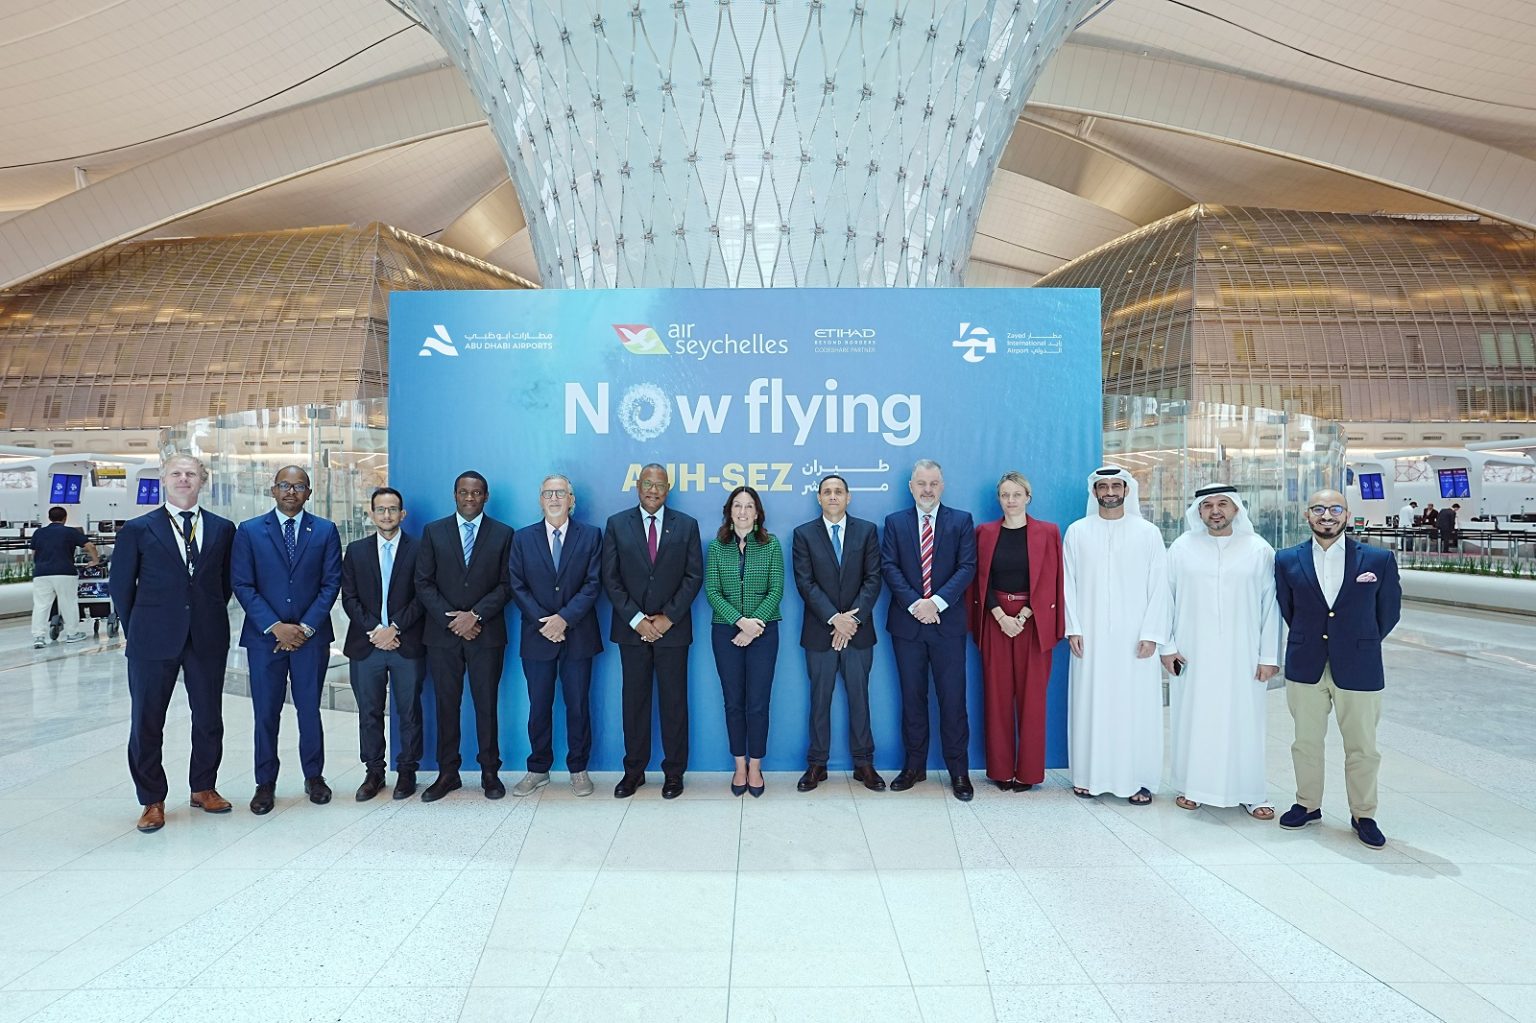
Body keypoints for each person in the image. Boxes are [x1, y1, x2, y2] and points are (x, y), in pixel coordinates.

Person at [109, 455, 235, 834]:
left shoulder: (222, 528)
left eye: (191, 474)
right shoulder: (138, 529)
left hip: (206, 636)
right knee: (147, 720)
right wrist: (137, 629)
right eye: (176, 474)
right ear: (164, 480)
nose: (183, 479)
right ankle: (152, 799)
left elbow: (224, 583)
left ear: (202, 481)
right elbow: (121, 587)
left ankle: (203, 786)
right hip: (152, 638)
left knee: (208, 717)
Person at [1275, 490, 1402, 849]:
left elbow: (1389, 612)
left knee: (1362, 746)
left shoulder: (1378, 559)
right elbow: (1288, 608)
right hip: (1306, 663)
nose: (1326, 515)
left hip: (1360, 665)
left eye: (1334, 508)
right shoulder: (1287, 559)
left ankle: (1364, 814)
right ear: (1307, 515)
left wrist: (1359, 640)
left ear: (1347, 515)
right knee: (1306, 742)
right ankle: (1307, 804)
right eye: (1318, 508)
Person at [1160, 485, 1281, 819]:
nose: (1215, 511)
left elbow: (1271, 606)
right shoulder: (1182, 548)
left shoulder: (1259, 549)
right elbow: (1165, 599)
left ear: (1236, 509)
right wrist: (1167, 647)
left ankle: (1251, 793)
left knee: (1245, 722)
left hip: (1244, 655)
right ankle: (1192, 787)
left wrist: (1269, 656)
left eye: (1223, 504)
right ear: (1198, 512)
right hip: (1192, 654)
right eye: (1208, 505)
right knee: (1194, 719)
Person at [231, 466, 344, 814]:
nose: (291, 492)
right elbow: (242, 584)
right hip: (265, 639)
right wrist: (275, 626)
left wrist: (304, 628)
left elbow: (331, 584)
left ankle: (314, 777)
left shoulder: (325, 530)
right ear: (273, 490)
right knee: (266, 712)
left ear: (309, 492)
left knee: (309, 710)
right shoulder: (250, 531)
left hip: (311, 639)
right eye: (284, 485)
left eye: (298, 486)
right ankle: (265, 783)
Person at [1062, 467, 1169, 804]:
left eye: (1115, 485)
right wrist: (1073, 627)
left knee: (1134, 707)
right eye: (1103, 486)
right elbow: (1067, 583)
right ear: (1095, 492)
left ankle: (1137, 779)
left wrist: (1152, 632)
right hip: (1089, 637)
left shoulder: (1148, 533)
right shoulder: (1077, 532)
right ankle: (1087, 776)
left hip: (1135, 639)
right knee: (1090, 704)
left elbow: (1160, 586)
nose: (1109, 491)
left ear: (1126, 490)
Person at [601, 463, 703, 799]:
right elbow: (610, 578)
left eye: (659, 485)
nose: (653, 490)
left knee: (674, 704)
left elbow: (693, 577)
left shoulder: (686, 525)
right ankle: (634, 771)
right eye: (647, 484)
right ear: (638, 486)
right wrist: (637, 620)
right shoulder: (617, 524)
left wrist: (667, 618)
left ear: (667, 489)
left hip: (673, 631)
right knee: (634, 703)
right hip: (631, 631)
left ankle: (674, 773)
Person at [881, 459, 978, 801]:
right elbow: (889, 566)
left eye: (933, 483)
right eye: (921, 483)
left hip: (947, 625)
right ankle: (914, 766)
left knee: (953, 700)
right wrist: (916, 605)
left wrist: (935, 603)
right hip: (907, 626)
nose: (927, 490)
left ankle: (959, 771)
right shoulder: (895, 523)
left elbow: (967, 567)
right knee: (912, 699)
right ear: (911, 487)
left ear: (942, 486)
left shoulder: (961, 521)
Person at [415, 470, 514, 802]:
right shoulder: (434, 532)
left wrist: (476, 615)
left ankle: (490, 772)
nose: (470, 497)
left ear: (486, 496)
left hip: (486, 634)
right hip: (443, 636)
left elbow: (507, 584)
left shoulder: (503, 533)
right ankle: (448, 773)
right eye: (463, 492)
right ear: (455, 495)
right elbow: (423, 582)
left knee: (486, 705)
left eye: (476, 492)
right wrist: (453, 620)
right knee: (446, 705)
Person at [507, 474, 603, 798]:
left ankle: (578, 769)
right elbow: (517, 585)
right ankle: (538, 768)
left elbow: (593, 583)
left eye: (560, 493)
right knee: (539, 707)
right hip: (537, 637)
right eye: (548, 493)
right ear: (540, 499)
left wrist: (564, 619)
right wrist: (545, 622)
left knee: (578, 706)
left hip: (578, 635)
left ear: (571, 499)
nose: (554, 498)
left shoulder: (591, 536)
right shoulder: (522, 538)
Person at [969, 471, 1064, 793]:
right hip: (995, 620)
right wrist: (1000, 616)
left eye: (1016, 494)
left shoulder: (1048, 532)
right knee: (996, 698)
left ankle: (1028, 772)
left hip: (1033, 624)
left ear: (1028, 497)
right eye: (1005, 495)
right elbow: (979, 580)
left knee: (1032, 699)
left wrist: (1022, 616)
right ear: (999, 499)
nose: (1010, 500)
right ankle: (1000, 769)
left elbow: (1051, 579)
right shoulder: (984, 533)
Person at [791, 474, 885, 792]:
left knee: (860, 698)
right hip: (821, 632)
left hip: (858, 632)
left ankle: (864, 763)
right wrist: (835, 619)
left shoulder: (867, 531)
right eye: (827, 492)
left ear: (848, 497)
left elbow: (873, 579)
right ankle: (817, 764)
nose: (833, 496)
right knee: (820, 699)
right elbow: (805, 583)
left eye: (838, 491)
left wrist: (850, 621)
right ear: (819, 498)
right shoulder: (803, 534)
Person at [339, 487, 426, 802]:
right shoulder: (356, 551)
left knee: (409, 711)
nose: (386, 515)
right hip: (367, 645)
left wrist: (395, 627)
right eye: (380, 509)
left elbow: (423, 595)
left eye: (392, 509)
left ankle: (407, 771)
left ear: (402, 514)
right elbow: (349, 597)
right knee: (369, 712)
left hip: (407, 643)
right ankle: (374, 771)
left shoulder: (420, 549)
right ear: (371, 513)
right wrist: (376, 630)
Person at [704, 486, 784, 797]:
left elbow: (776, 590)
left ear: (757, 512)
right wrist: (739, 622)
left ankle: (755, 766)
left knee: (759, 703)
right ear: (729, 511)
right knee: (733, 702)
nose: (743, 511)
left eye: (749, 506)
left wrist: (753, 626)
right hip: (726, 632)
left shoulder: (771, 544)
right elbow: (712, 591)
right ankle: (739, 764)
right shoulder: (717, 547)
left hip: (764, 632)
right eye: (737, 505)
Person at [30, 506, 100, 648]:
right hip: (65, 572)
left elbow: (34, 553)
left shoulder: (39, 532)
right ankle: (72, 634)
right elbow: (90, 546)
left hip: (41, 573)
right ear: (65, 518)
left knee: (41, 605)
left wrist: (40, 564)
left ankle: (39, 637)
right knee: (68, 603)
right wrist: (95, 560)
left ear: (49, 518)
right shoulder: (70, 532)